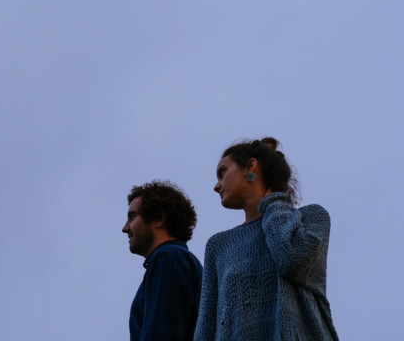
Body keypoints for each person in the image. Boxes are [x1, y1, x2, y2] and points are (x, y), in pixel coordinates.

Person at [194, 138, 339, 341]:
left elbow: (292, 259)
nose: (216, 186)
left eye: (222, 172)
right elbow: (206, 326)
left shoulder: (312, 218)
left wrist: (274, 202)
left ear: (251, 166)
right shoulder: (219, 246)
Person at [123, 180, 203, 341]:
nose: (125, 228)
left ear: (159, 218)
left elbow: (161, 333)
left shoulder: (168, 257)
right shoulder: (178, 259)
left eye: (132, 217)